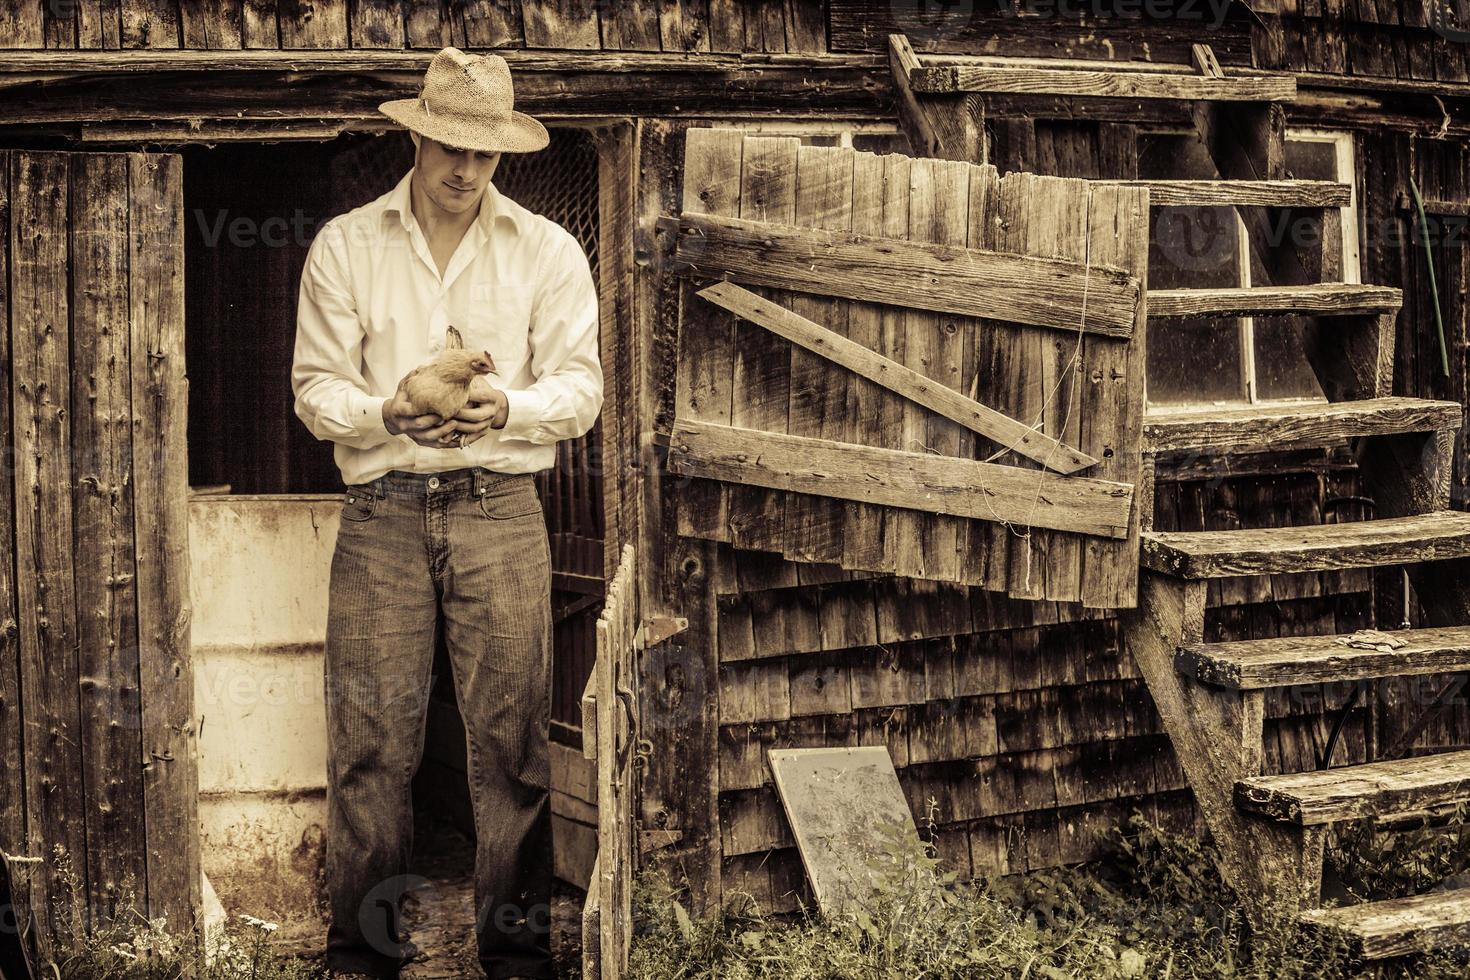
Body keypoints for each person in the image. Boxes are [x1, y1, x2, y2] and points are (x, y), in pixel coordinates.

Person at [291, 46, 603, 980]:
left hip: (499, 504)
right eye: (449, 147)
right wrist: (391, 409)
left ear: (502, 153)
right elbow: (314, 389)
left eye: (484, 153)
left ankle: (512, 956)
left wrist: (505, 407)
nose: (465, 170)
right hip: (382, 509)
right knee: (371, 745)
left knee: (511, 745)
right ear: (417, 135)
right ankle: (366, 954)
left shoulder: (546, 250)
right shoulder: (347, 245)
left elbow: (581, 387)